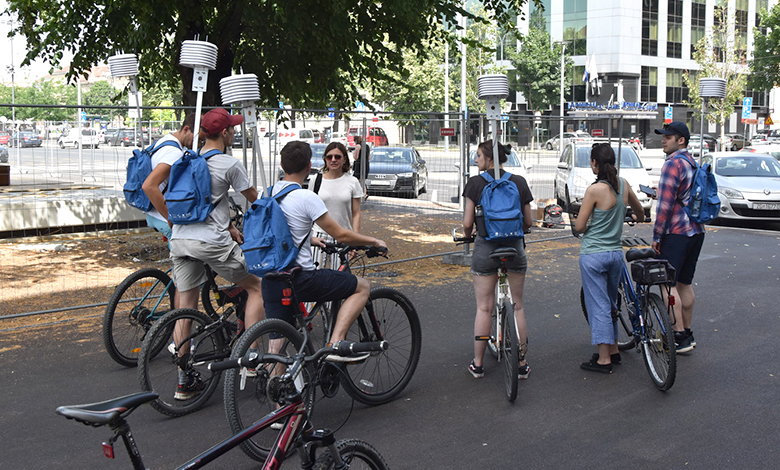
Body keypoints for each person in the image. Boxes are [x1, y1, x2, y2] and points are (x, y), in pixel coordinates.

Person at [168, 108, 264, 399]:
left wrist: (229, 224)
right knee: (257, 286)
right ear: (224, 133)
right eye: (232, 129)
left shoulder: (186, 159)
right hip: (211, 242)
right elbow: (256, 201)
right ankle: (251, 360)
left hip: (181, 239)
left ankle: (184, 380)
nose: (235, 132)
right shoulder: (229, 163)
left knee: (186, 307)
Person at [262, 141, 386, 360]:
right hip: (300, 277)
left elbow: (279, 232)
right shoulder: (306, 196)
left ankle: (276, 384)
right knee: (362, 286)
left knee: (276, 343)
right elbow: (341, 234)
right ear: (309, 166)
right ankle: (336, 344)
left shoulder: (268, 193)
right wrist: (373, 241)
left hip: (271, 277)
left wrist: (308, 239)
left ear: (282, 164)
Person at [462, 140, 533, 379]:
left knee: (484, 307)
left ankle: (478, 364)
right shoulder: (519, 182)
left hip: (485, 250)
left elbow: (467, 223)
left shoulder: (475, 184)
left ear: (489, 158)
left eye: (479, 156)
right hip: (514, 249)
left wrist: (466, 236)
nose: (476, 160)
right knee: (518, 306)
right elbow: (529, 222)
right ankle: (521, 363)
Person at [576, 143, 645, 374]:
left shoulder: (594, 190)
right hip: (615, 254)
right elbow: (641, 212)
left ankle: (603, 359)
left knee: (599, 306)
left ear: (594, 163)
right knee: (612, 303)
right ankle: (613, 351)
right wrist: (631, 215)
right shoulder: (623, 185)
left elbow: (580, 225)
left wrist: (584, 226)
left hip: (593, 255)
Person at [652, 121, 705, 353]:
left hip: (676, 233)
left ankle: (677, 336)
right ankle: (688, 333)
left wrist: (656, 236)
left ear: (680, 140)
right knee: (685, 283)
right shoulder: (692, 162)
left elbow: (664, 205)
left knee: (667, 283)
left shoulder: (672, 164)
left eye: (668, 137)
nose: (663, 140)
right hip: (696, 231)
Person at [141, 113, 196, 240]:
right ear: (186, 129)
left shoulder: (164, 141)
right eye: (197, 137)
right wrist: (170, 218)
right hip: (164, 217)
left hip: (153, 213)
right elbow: (149, 186)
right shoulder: (174, 153)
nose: (198, 143)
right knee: (184, 259)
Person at [311, 142, 363, 269]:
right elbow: (309, 210)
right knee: (314, 276)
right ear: (325, 159)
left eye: (338, 157)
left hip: (343, 234)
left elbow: (356, 213)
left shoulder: (352, 182)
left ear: (344, 159)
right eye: (329, 157)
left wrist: (354, 239)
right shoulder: (316, 180)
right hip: (319, 234)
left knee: (340, 278)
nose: (333, 160)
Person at [352, 135, 370, 200]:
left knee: (356, 179)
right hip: (366, 164)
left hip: (359, 165)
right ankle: (364, 193)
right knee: (363, 181)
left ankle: (359, 194)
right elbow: (369, 157)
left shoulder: (358, 146)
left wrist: (353, 153)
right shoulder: (367, 146)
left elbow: (356, 157)